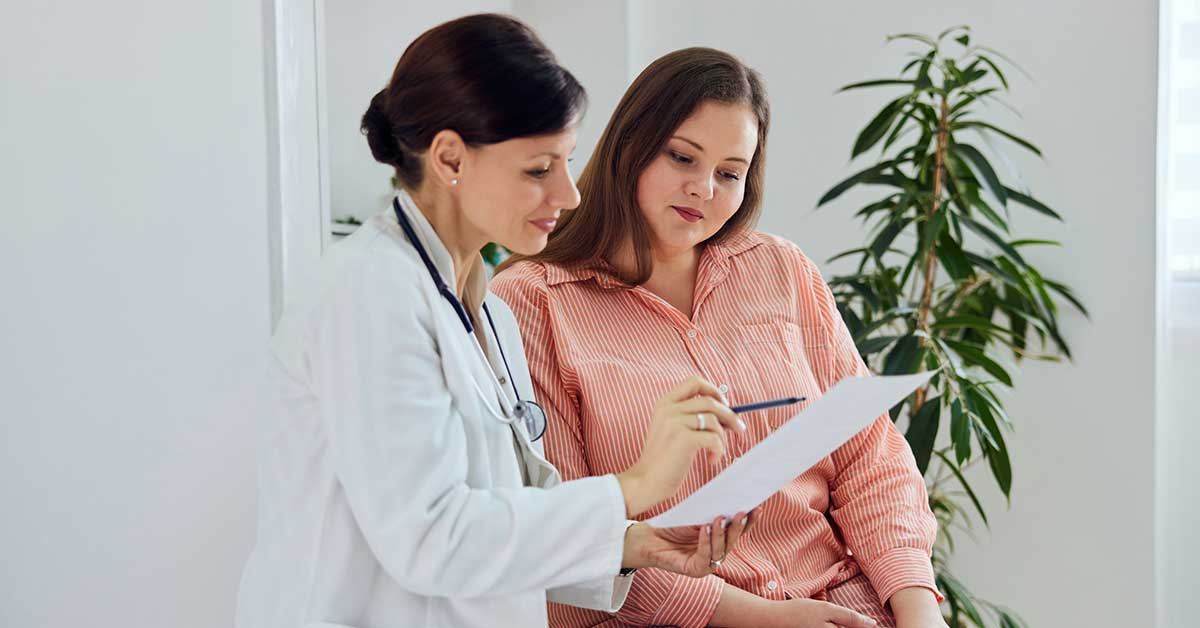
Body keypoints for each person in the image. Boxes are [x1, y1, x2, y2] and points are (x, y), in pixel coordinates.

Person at [235, 17, 756, 628]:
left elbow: (513, 513)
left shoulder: (491, 315)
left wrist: (631, 542)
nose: (569, 194)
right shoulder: (367, 294)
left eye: (567, 162)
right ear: (451, 157)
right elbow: (432, 540)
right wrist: (635, 485)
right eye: (539, 169)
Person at [492, 47, 946, 628]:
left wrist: (915, 604)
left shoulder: (780, 269)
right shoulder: (534, 301)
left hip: (840, 601)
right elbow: (567, 530)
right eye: (683, 157)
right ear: (629, 146)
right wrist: (756, 617)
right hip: (669, 617)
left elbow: (870, 459)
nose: (704, 189)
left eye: (729, 173)